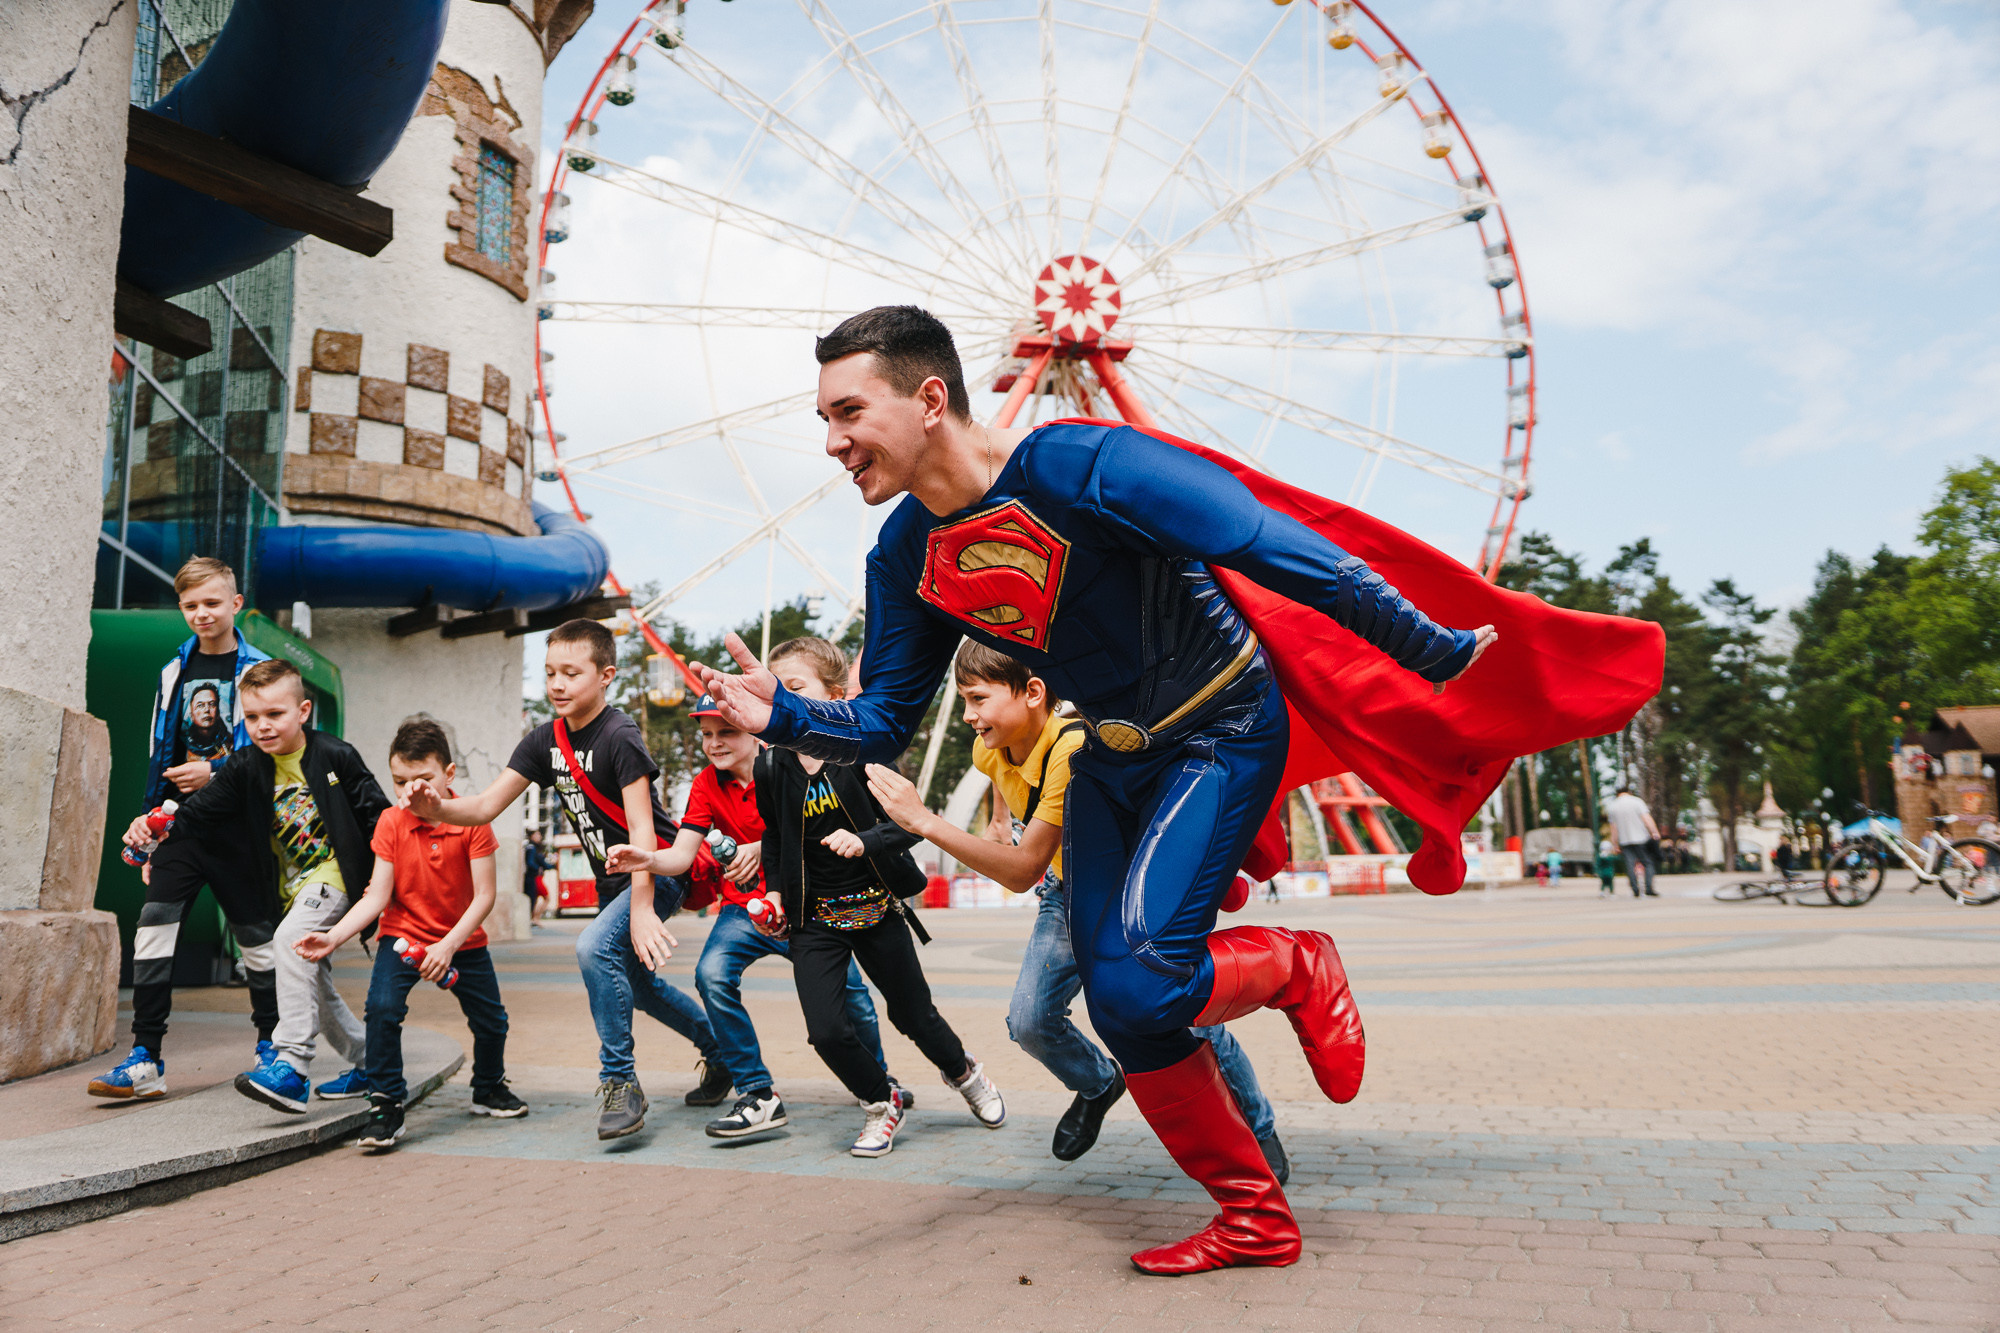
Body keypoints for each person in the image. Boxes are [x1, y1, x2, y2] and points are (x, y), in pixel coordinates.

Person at [693, 308, 1656, 1274]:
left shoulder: (1087, 466)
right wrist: (779, 715)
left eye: (849, 411)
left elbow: (1269, 539)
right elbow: (884, 720)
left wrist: (1424, 646)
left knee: (1148, 972)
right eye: (825, 419)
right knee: (1126, 1006)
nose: (832, 443)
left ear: (929, 398)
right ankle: (1255, 1220)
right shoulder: (906, 555)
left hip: (1223, 727)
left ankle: (1294, 963)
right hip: (1109, 758)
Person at [866, 642, 1291, 1177]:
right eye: (963, 700)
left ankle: (1258, 1126)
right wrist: (999, 819)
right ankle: (1098, 1082)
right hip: (1069, 891)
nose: (969, 715)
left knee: (1186, 1018)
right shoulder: (988, 747)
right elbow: (1004, 778)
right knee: (1030, 1021)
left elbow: (1022, 871)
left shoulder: (1073, 752)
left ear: (1034, 693)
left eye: (978, 699)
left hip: (1137, 895)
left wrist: (924, 822)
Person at [404, 618, 726, 1141]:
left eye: (571, 673)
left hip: (656, 872)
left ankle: (620, 1083)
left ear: (606, 677)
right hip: (612, 885)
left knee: (592, 949)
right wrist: (436, 804)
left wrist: (643, 908)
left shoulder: (620, 734)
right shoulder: (542, 740)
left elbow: (644, 831)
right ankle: (721, 1051)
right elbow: (485, 806)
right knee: (638, 988)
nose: (557, 684)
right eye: (550, 672)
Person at [750, 636, 1005, 1158]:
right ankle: (879, 1101)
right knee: (825, 1031)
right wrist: (774, 893)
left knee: (913, 1016)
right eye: (779, 691)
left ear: (837, 695)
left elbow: (912, 825)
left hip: (874, 906)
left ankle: (964, 1071)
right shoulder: (771, 764)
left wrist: (863, 840)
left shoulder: (863, 754)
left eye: (796, 688)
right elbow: (774, 837)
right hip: (812, 919)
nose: (786, 700)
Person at [603, 691, 896, 1141]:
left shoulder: (788, 767)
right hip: (743, 911)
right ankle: (757, 1092)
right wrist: (644, 858)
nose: (715, 743)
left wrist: (761, 849)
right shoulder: (705, 785)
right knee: (712, 974)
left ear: (755, 731)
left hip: (801, 905)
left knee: (852, 992)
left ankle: (878, 1083)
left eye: (726, 732)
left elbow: (823, 834)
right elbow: (681, 856)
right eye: (706, 735)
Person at [138, 658, 387, 1112]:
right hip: (292, 889)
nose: (263, 726)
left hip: (337, 877)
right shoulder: (245, 765)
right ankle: (375, 1062)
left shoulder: (335, 755)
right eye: (252, 717)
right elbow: (197, 812)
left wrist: (385, 888)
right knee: (312, 978)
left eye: (275, 714)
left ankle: (291, 1066)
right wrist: (155, 832)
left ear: (303, 711)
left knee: (289, 943)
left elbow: (380, 816)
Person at [90, 556, 278, 1100]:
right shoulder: (173, 672)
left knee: (256, 942)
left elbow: (273, 753)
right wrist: (148, 827)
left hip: (240, 830)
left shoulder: (259, 672)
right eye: (191, 605)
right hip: (179, 829)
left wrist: (214, 770)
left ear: (236, 604)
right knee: (152, 931)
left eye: (213, 603)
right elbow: (159, 753)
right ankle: (146, 1057)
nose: (202, 614)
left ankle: (273, 1049)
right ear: (180, 608)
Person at [296, 718, 527, 1148]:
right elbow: (375, 896)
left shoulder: (474, 818)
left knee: (492, 1023)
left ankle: (488, 1086)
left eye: (424, 779)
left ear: (449, 775)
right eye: (401, 781)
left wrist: (448, 945)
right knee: (382, 1010)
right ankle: (386, 1105)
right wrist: (333, 936)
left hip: (461, 940)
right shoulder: (391, 821)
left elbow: (485, 898)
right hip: (403, 935)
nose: (411, 792)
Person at [1606, 786, 1661, 897]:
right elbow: (1646, 818)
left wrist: (1615, 844)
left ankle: (1635, 889)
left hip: (1625, 840)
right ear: (1629, 792)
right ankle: (1648, 888)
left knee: (1629, 864)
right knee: (1647, 863)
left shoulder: (1612, 807)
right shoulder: (1637, 802)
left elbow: (1613, 828)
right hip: (1641, 838)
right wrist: (1654, 832)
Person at [524, 828, 552, 922]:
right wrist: (538, 868)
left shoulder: (532, 847)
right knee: (541, 898)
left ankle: (534, 918)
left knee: (534, 899)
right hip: (534, 877)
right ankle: (535, 918)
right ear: (532, 836)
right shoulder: (532, 848)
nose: (539, 837)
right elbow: (530, 862)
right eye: (537, 835)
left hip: (533, 877)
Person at [1595, 830, 1619, 895]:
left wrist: (1597, 872)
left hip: (1603, 873)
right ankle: (1611, 892)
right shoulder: (1610, 856)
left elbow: (1597, 865)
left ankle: (1602, 892)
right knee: (1610, 883)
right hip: (1610, 872)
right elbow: (1616, 859)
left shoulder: (1600, 856)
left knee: (1603, 883)